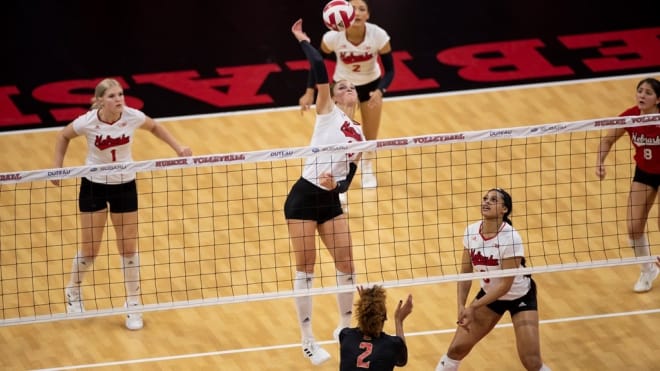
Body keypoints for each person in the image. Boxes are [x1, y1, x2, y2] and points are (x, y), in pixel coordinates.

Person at [51, 78, 192, 330]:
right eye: (113, 96)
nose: (119, 99)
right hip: (93, 185)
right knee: (90, 250)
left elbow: (155, 127)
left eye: (121, 94)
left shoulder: (133, 116)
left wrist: (179, 147)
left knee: (128, 248)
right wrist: (56, 168)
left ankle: (133, 304)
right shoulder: (87, 122)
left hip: (125, 185)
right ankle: (73, 290)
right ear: (100, 101)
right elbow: (63, 136)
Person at [285, 18, 366, 366]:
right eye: (342, 86)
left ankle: (344, 327)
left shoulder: (361, 134)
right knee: (307, 269)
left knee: (347, 264)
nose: (347, 88)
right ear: (332, 95)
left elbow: (350, 173)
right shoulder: (326, 112)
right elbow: (319, 65)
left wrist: (341, 186)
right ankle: (307, 339)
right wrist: (303, 39)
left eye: (351, 86)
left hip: (330, 201)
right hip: (303, 199)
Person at [435, 188, 550, 371]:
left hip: (519, 297)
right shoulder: (471, 231)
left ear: (504, 209)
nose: (486, 202)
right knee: (456, 349)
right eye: (485, 198)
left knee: (532, 362)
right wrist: (461, 306)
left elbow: (505, 286)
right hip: (489, 297)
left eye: (493, 200)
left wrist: (473, 307)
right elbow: (465, 272)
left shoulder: (511, 238)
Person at [299, 0, 393, 190]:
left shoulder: (378, 35)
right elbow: (317, 64)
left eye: (362, 9)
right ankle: (335, 177)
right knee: (338, 134)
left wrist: (380, 90)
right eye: (353, 9)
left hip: (370, 86)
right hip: (342, 87)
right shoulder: (332, 37)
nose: (357, 13)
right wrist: (309, 92)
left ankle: (367, 167)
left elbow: (390, 70)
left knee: (369, 135)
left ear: (368, 15)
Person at [596, 77, 660, 293]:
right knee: (633, 228)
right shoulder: (630, 116)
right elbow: (607, 140)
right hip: (644, 173)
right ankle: (647, 269)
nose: (642, 95)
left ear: (658, 99)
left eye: (648, 93)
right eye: (640, 90)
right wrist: (600, 162)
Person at [338, 285, 413, 371]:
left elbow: (361, 328)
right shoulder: (392, 345)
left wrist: (364, 307)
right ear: (384, 318)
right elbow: (402, 361)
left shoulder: (345, 335)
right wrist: (398, 320)